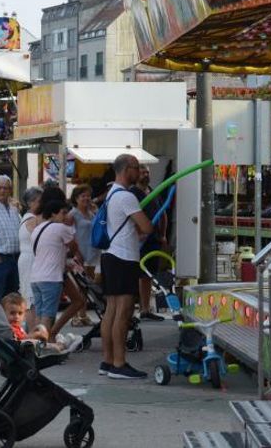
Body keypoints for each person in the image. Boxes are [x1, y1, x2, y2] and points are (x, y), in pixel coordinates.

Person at [100, 154, 153, 380]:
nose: (139, 172)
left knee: (111, 311)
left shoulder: (111, 194)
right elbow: (147, 227)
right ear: (126, 169)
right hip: (124, 257)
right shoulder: (126, 197)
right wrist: (143, 228)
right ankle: (119, 364)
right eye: (136, 168)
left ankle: (108, 360)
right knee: (123, 312)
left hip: (111, 256)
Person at [29, 200, 81, 336]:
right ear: (53, 213)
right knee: (48, 316)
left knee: (39, 315)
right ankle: (44, 346)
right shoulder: (60, 228)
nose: (66, 217)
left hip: (36, 278)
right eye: (63, 213)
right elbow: (74, 247)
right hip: (51, 278)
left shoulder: (37, 229)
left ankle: (36, 345)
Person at [130, 164, 168, 322]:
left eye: (147, 172)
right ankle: (135, 308)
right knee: (138, 274)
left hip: (154, 239)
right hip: (140, 240)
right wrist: (138, 233)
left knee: (148, 275)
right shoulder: (133, 194)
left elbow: (162, 212)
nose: (145, 175)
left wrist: (163, 234)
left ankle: (146, 308)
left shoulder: (152, 191)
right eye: (142, 172)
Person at [1, 293, 82, 352]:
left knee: (43, 333)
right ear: (3, 313)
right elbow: (22, 341)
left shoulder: (16, 327)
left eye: (20, 313)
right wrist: (36, 334)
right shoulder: (10, 329)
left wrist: (35, 331)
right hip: (28, 350)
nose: (16, 316)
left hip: (30, 346)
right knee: (52, 346)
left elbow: (24, 337)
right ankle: (64, 346)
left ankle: (61, 342)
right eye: (12, 313)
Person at [69, 185, 98, 327]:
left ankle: (83, 314)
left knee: (87, 286)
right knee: (77, 286)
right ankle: (75, 316)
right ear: (76, 199)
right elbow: (69, 234)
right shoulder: (72, 214)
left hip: (92, 253)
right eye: (83, 196)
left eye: (88, 196)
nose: (86, 198)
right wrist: (75, 252)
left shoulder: (92, 213)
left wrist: (96, 211)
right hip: (79, 254)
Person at [17, 186, 43, 330]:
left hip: (27, 259)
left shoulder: (27, 217)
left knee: (29, 296)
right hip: (30, 261)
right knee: (31, 299)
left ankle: (32, 331)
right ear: (31, 202)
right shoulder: (32, 219)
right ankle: (33, 333)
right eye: (40, 201)